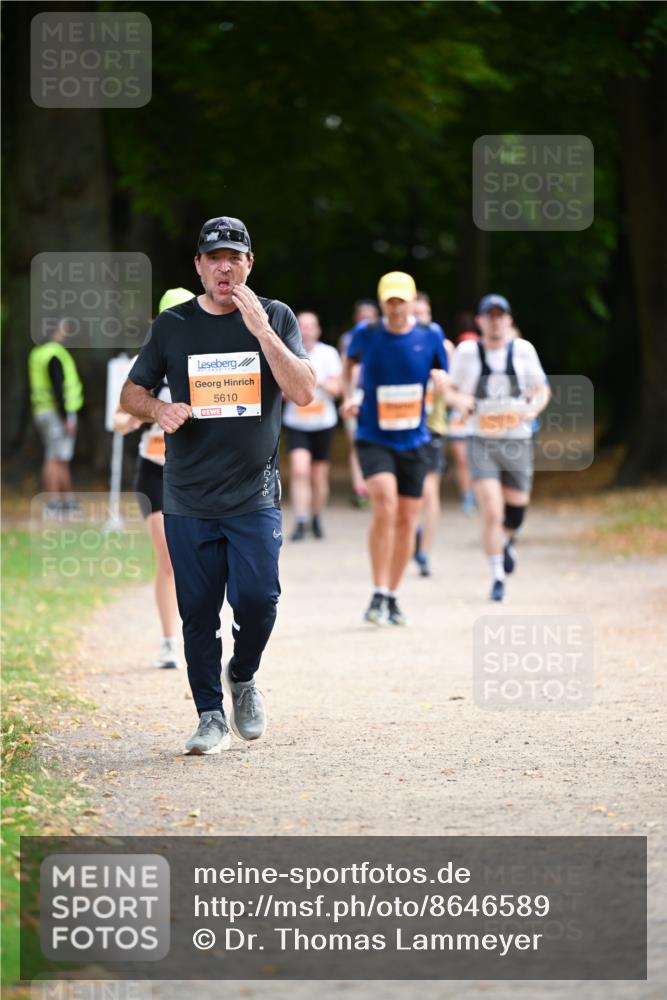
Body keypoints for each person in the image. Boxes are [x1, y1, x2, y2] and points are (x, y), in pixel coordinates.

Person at [120, 216, 315, 755]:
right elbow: (130, 395)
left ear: (249, 263)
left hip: (253, 494)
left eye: (234, 256)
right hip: (186, 496)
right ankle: (209, 715)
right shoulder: (173, 324)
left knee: (258, 600)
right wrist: (159, 407)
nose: (223, 266)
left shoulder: (275, 316)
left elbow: (302, 392)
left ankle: (243, 675)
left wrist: (262, 333)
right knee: (197, 612)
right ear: (199, 267)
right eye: (213, 258)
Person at [341, 272, 448, 625]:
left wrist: (441, 386)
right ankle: (376, 589)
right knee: (384, 504)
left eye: (402, 300)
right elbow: (350, 365)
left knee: (406, 520)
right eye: (391, 300)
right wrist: (350, 396)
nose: (397, 307)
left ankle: (392, 594)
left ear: (413, 301)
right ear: (383, 302)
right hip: (374, 435)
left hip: (414, 439)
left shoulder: (429, 335)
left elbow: (442, 377)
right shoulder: (367, 334)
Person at [449, 294, 550, 602]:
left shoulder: (523, 351)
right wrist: (460, 401)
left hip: (517, 440)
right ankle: (497, 576)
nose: (495, 321)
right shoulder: (467, 353)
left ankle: (506, 542)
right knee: (492, 511)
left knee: (516, 512)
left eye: (500, 315)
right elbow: (450, 392)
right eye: (488, 315)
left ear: (508, 320)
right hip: (482, 441)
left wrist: (534, 408)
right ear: (479, 321)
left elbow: (542, 388)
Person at [114, 288, 196, 670]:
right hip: (155, 470)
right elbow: (121, 416)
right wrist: (133, 418)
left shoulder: (204, 363)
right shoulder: (144, 364)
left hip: (196, 473)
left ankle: (202, 632)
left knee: (202, 560)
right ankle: (168, 640)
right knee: (168, 559)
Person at [283, 311, 343, 540]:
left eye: (311, 326)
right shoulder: (286, 351)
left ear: (318, 330)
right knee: (299, 470)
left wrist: (316, 383)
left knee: (318, 477)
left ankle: (316, 516)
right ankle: (300, 520)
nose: (306, 330)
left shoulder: (328, 354)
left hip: (322, 423)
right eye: (302, 326)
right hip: (297, 422)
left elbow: (338, 389)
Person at [411, 292, 454, 577]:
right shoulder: (395, 343)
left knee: (428, 491)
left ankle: (424, 551)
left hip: (431, 428)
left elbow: (452, 388)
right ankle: (411, 535)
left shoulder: (442, 346)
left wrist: (442, 382)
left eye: (424, 314)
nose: (419, 320)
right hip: (400, 429)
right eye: (415, 314)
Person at [28, 319, 84, 513]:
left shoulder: (37, 353)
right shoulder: (54, 354)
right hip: (56, 413)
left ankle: (65, 500)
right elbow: (58, 387)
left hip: (41, 411)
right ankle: (53, 502)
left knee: (60, 456)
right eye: (63, 327)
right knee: (53, 458)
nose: (66, 331)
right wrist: (66, 417)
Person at [338, 299, 380, 507]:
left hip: (376, 394)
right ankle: (360, 488)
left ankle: (374, 485)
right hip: (356, 393)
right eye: (362, 316)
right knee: (356, 443)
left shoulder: (383, 336)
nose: (365, 320)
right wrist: (347, 397)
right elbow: (347, 369)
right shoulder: (348, 339)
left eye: (369, 316)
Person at [448, 312, 480, 514]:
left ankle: (477, 493)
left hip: (478, 413)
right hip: (459, 413)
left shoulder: (487, 352)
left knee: (472, 458)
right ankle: (467, 495)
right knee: (462, 458)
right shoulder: (456, 352)